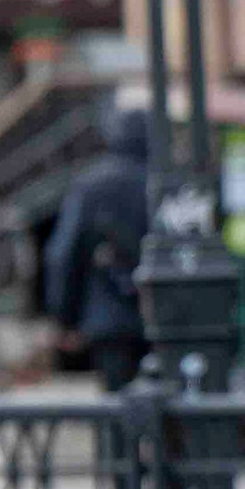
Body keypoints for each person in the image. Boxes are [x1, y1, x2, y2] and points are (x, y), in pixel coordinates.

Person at [45, 104, 151, 394]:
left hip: (109, 317)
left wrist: (64, 316)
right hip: (162, 314)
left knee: (117, 412)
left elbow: (64, 254)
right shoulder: (164, 181)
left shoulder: (91, 185)